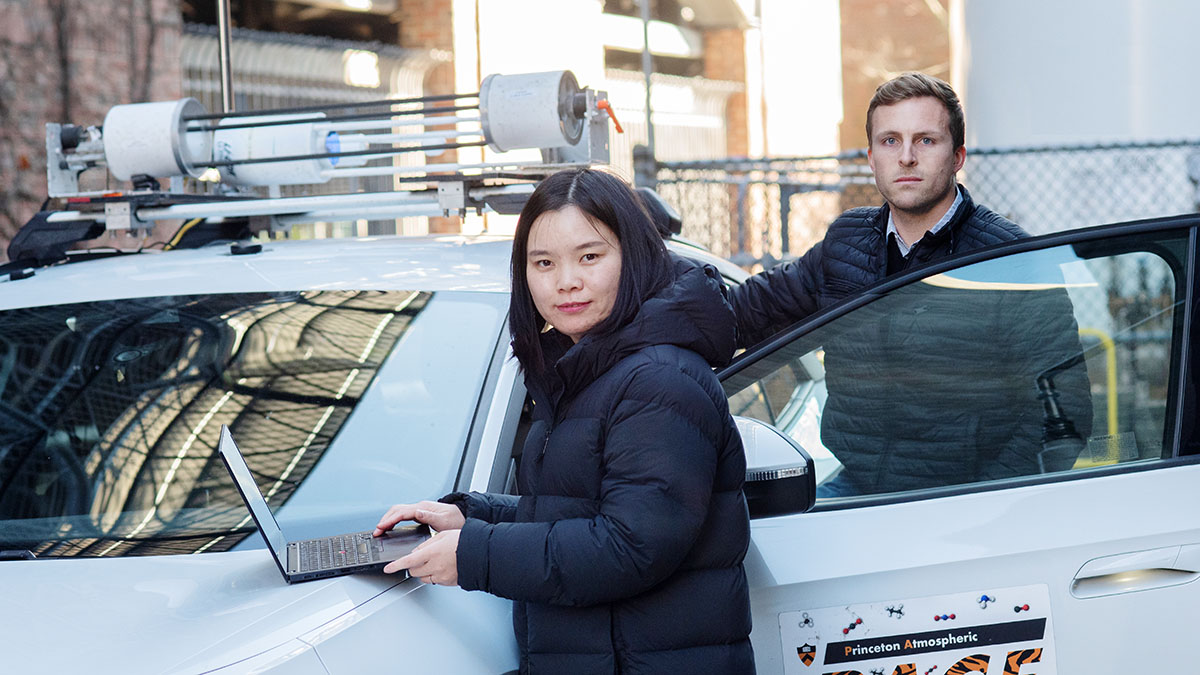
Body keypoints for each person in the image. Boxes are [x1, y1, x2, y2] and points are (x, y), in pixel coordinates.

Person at [374, 168, 755, 674]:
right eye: (544, 262)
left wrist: (475, 554)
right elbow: (578, 512)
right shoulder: (580, 371)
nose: (566, 281)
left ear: (634, 257)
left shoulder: (660, 380)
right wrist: (474, 517)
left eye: (590, 256)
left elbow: (631, 546)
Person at [729, 72, 1091, 495]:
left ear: (957, 156)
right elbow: (749, 309)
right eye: (890, 141)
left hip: (968, 498)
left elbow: (1064, 412)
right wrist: (647, 304)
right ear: (870, 157)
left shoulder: (1009, 259)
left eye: (925, 140)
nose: (906, 157)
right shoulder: (847, 242)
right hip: (857, 486)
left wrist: (984, 503)